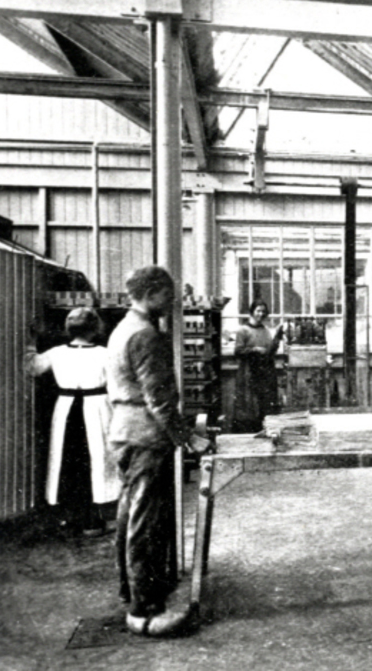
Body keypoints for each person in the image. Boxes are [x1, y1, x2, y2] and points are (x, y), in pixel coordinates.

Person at [107, 266, 211, 637]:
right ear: (151, 293)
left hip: (126, 433)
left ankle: (133, 593)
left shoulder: (124, 328)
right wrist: (188, 438)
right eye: (168, 294)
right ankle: (145, 611)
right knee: (145, 523)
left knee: (132, 517)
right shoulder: (145, 335)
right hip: (145, 437)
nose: (172, 302)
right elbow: (159, 400)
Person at [27, 307, 118, 536]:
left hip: (66, 408)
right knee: (96, 461)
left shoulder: (56, 353)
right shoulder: (106, 354)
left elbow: (32, 367)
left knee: (67, 461)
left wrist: (31, 342)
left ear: (68, 329)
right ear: (96, 328)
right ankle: (93, 521)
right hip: (97, 408)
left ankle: (69, 519)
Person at [232, 299, 285, 432]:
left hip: (265, 372)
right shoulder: (243, 331)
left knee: (265, 405)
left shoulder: (266, 330)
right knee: (249, 405)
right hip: (249, 372)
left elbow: (269, 352)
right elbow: (237, 352)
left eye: (263, 311)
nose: (261, 314)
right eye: (258, 311)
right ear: (252, 312)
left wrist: (277, 339)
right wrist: (254, 349)